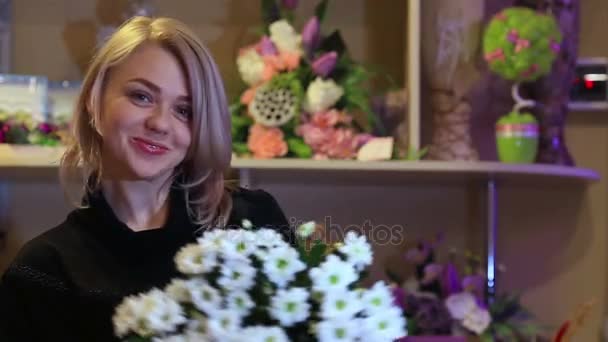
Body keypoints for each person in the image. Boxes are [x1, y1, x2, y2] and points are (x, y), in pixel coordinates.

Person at [0, 16, 294, 341]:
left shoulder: (254, 224)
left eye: (185, 111)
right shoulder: (43, 271)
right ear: (93, 104)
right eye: (142, 96)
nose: (160, 123)